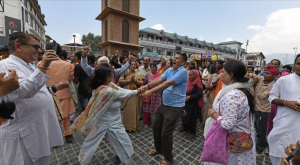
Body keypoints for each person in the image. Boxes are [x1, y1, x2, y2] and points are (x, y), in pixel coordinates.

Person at [0, 32, 63, 165]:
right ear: (18, 47)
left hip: (36, 129)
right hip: (23, 134)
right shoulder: (6, 66)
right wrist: (43, 66)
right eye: (35, 47)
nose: (39, 50)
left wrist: (53, 88)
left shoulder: (28, 65)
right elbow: (20, 91)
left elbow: (37, 91)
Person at [70, 63, 143, 165]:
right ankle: (126, 162)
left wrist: (140, 90)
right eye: (112, 74)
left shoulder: (109, 85)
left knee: (95, 141)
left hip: (111, 121)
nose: (114, 76)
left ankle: (83, 160)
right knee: (123, 144)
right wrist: (140, 90)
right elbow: (127, 93)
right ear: (107, 77)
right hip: (109, 123)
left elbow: (122, 90)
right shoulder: (106, 91)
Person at [142, 52, 188, 165]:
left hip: (175, 108)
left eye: (177, 59)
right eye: (174, 58)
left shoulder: (183, 71)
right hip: (164, 105)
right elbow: (160, 79)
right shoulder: (169, 70)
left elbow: (168, 83)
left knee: (166, 133)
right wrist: (147, 85)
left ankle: (169, 159)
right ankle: (158, 149)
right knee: (156, 127)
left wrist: (151, 91)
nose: (174, 60)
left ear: (183, 62)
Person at [206, 59, 256, 164]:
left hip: (230, 145)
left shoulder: (232, 95)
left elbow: (228, 124)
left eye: (223, 71)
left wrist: (213, 114)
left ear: (231, 75)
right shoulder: (241, 90)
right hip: (238, 140)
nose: (221, 73)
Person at [267, 54, 300, 165]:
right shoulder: (284, 80)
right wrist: (286, 103)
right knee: (279, 152)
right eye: (298, 63)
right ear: (294, 65)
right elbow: (271, 98)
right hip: (284, 125)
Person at [250, 65, 278, 156]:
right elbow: (252, 75)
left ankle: (260, 149)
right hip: (256, 108)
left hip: (264, 110)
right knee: (257, 127)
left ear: (274, 76)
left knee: (261, 130)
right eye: (265, 72)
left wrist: (254, 86)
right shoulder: (261, 79)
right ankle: (262, 145)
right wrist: (250, 75)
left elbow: (262, 96)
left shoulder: (273, 86)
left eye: (268, 73)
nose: (265, 75)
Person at [118, 61, 144, 132]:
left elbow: (142, 83)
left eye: (134, 65)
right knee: (127, 110)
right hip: (126, 94)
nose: (133, 66)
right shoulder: (125, 72)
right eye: (132, 64)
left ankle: (134, 126)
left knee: (135, 110)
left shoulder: (138, 74)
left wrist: (135, 81)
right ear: (128, 66)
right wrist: (129, 81)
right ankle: (126, 126)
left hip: (135, 95)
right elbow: (120, 81)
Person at [179, 70, 203, 139]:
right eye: (189, 75)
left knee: (192, 118)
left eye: (191, 75)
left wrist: (190, 97)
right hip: (186, 102)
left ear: (195, 75)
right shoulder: (188, 82)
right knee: (184, 115)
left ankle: (192, 132)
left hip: (193, 104)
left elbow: (199, 93)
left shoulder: (198, 83)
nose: (190, 77)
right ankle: (185, 126)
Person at [142, 63, 162, 128]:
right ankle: (146, 122)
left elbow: (162, 84)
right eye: (151, 67)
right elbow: (144, 84)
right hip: (148, 94)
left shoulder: (159, 75)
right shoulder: (147, 75)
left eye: (154, 67)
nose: (152, 68)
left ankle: (157, 123)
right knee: (146, 109)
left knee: (157, 109)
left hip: (157, 94)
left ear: (156, 68)